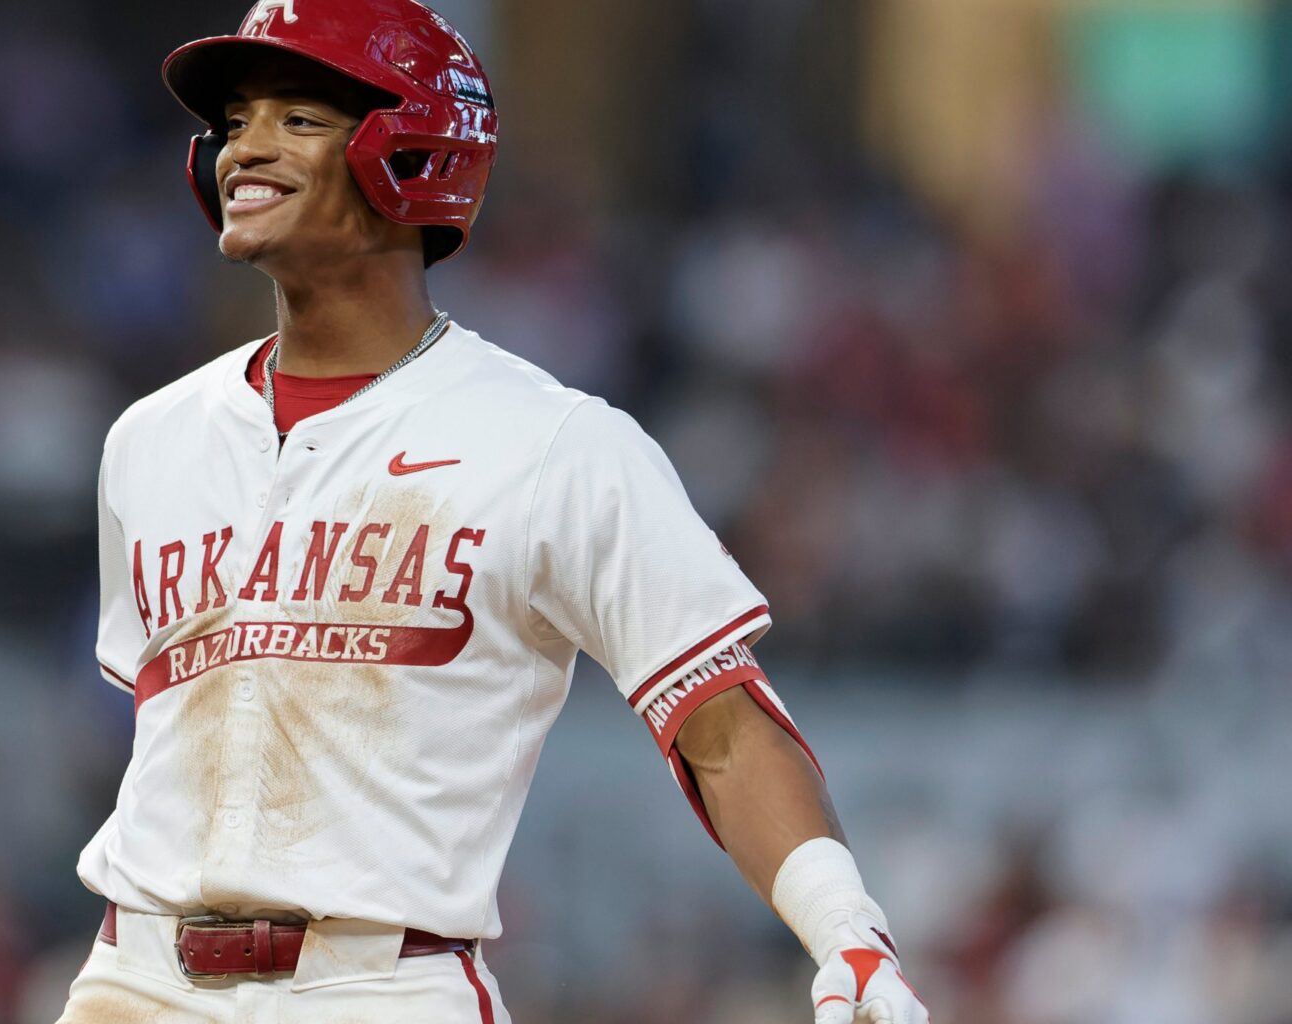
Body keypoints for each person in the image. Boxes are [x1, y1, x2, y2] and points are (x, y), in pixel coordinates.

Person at [59, 1, 929, 1021]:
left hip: (379, 984)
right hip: (136, 976)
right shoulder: (149, 442)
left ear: (415, 148)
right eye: (238, 119)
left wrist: (845, 929)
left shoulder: (555, 443)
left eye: (297, 118)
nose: (246, 145)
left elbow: (721, 722)